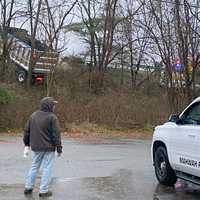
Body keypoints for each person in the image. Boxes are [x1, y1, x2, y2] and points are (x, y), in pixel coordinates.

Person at [23, 97, 62, 197]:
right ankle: (43, 191)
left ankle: (28, 187)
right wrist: (59, 148)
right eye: (53, 105)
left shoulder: (33, 115)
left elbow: (27, 131)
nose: (54, 107)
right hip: (48, 147)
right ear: (49, 105)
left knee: (34, 166)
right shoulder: (52, 117)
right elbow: (56, 134)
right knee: (47, 168)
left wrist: (26, 145)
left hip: (36, 147)